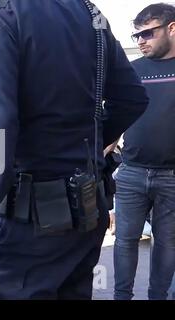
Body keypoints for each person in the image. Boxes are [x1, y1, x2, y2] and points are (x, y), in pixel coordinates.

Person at [0, 0, 148, 300]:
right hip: (87, 210)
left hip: (29, 227)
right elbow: (132, 98)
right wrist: (92, 146)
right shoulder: (88, 13)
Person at [113, 3, 175, 300]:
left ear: (172, 28)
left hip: (172, 177)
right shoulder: (132, 71)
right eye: (136, 35)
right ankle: (121, 297)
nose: (140, 41)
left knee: (167, 243)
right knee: (125, 241)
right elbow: (114, 115)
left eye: (148, 33)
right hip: (131, 172)